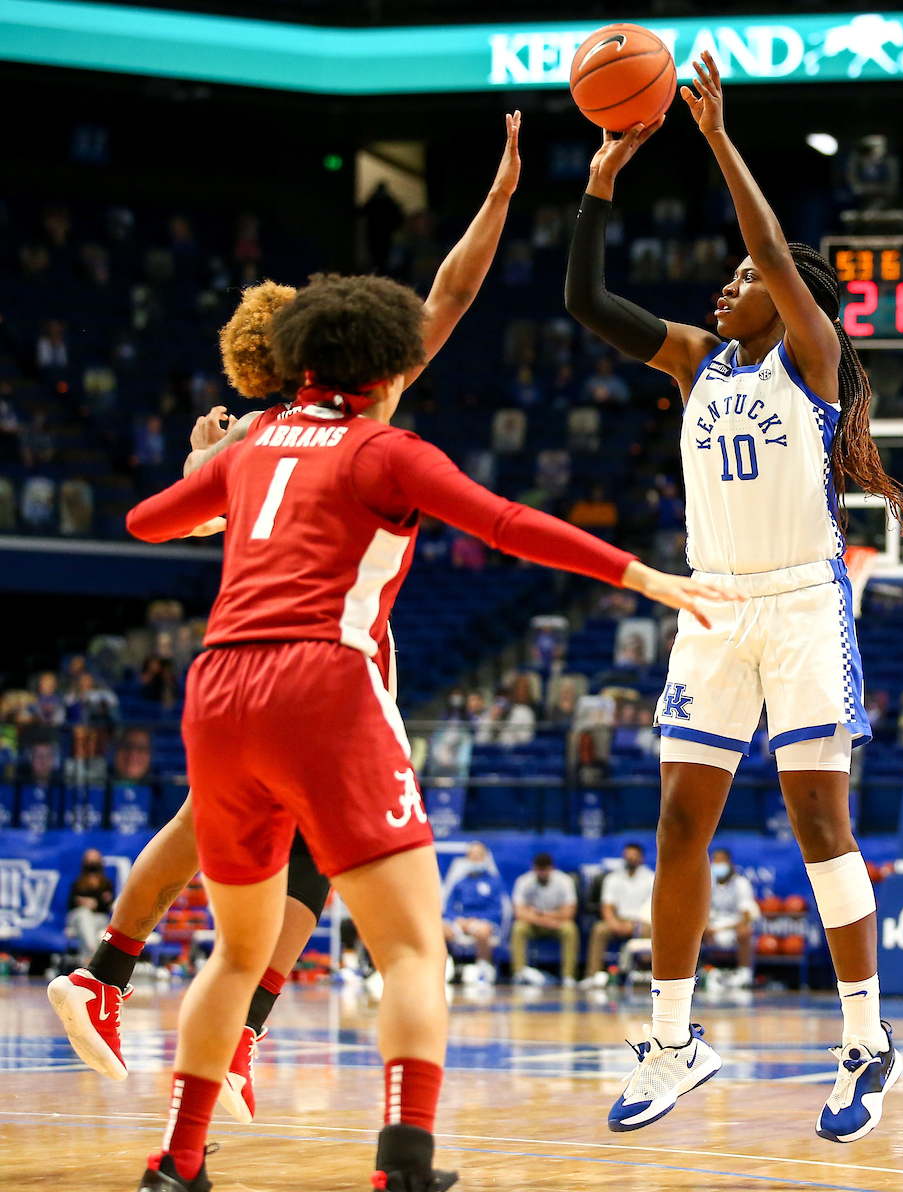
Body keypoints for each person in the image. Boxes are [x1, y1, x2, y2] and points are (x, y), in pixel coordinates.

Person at [124, 267, 732, 1192]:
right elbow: (506, 522)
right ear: (392, 369)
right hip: (320, 682)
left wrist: (212, 469)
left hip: (216, 693)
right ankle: (403, 1167)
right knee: (412, 949)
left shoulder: (251, 449)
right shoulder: (383, 451)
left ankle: (177, 1161)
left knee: (234, 954)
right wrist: (646, 578)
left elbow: (145, 522)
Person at [47, 113, 529, 1126]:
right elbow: (450, 293)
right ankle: (130, 982)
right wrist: (498, 197)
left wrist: (194, 459)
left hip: (240, 659)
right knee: (338, 885)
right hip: (318, 660)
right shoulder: (357, 416)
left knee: (241, 844)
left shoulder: (254, 436)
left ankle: (168, 1006)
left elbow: (174, 512)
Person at [565, 50, 903, 1143]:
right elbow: (585, 299)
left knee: (819, 818)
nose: (728, 284)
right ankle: (674, 1041)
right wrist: (601, 180)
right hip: (711, 605)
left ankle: (866, 1043)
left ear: (793, 295)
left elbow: (773, 249)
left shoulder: (809, 356)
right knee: (678, 822)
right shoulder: (696, 362)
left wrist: (715, 138)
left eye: (746, 279)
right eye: (728, 278)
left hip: (804, 603)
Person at [583, 843, 655, 983]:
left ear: (641, 858)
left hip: (642, 921)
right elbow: (607, 906)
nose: (630, 860)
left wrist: (635, 925)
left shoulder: (651, 878)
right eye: (628, 856)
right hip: (618, 919)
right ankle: (592, 975)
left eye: (634, 857)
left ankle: (646, 974)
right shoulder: (613, 878)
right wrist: (614, 923)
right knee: (599, 929)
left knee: (651, 931)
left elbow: (652, 908)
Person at [511, 853, 580, 987]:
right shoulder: (523, 881)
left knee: (570, 929)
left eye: (545, 870)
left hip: (556, 924)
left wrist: (540, 914)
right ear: (534, 868)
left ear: (551, 869)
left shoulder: (565, 881)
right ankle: (519, 973)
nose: (542, 874)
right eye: (539, 870)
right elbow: (519, 913)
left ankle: (568, 976)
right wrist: (545, 920)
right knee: (518, 928)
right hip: (534, 925)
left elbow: (569, 913)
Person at [442, 842, 505, 983]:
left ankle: (482, 967)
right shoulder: (460, 882)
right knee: (440, 930)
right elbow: (449, 907)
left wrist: (477, 920)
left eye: (478, 856)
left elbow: (498, 910)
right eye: (471, 856)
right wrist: (457, 920)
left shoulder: (494, 881)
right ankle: (445, 966)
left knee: (483, 932)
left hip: (481, 922)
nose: (475, 860)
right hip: (461, 922)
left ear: (484, 858)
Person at [703, 847, 759, 988]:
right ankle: (698, 972)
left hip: (732, 928)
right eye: (715, 860)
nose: (717, 864)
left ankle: (744, 972)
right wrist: (705, 927)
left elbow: (746, 916)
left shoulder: (741, 883)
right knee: (692, 931)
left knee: (745, 931)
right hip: (710, 927)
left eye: (721, 861)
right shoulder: (705, 883)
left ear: (729, 863)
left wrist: (720, 929)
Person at [65, 849, 115, 965]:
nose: (92, 862)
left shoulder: (106, 883)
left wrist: (95, 903)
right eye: (89, 859)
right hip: (78, 917)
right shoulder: (78, 882)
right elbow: (70, 903)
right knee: (84, 915)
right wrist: (83, 902)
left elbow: (108, 905)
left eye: (95, 859)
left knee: (89, 924)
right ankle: (93, 955)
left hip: (98, 918)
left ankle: (86, 963)